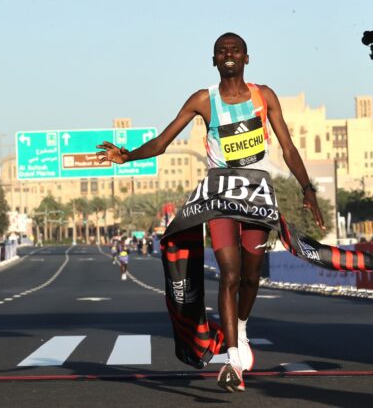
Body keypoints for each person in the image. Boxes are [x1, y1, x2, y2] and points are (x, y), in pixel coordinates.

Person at [97, 32, 325, 393]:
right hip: (219, 191)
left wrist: (307, 188)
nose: (229, 54)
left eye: (235, 50)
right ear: (214, 60)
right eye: (222, 51)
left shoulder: (264, 96)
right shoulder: (203, 100)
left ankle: (243, 328)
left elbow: (287, 147)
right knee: (229, 273)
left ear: (246, 58)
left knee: (251, 276)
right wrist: (126, 156)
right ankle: (232, 358)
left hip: (256, 190)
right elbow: (162, 142)